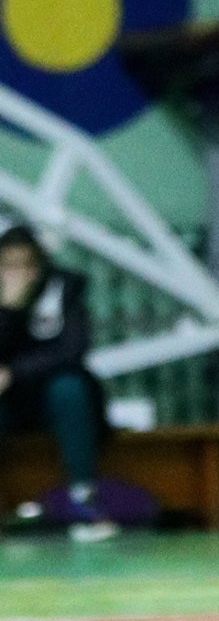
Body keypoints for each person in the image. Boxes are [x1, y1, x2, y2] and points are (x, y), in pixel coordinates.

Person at [0, 224, 117, 543]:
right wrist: (8, 309)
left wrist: (15, 373)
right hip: (10, 404)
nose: (18, 273)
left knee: (68, 388)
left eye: (25, 264)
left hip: (55, 397)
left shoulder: (64, 290)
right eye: (8, 265)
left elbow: (73, 350)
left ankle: (84, 497)